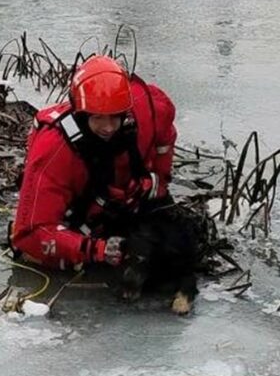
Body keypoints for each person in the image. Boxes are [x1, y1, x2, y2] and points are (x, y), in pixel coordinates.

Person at [10, 54, 177, 271]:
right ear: (81, 115)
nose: (108, 127)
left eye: (114, 117)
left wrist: (160, 180)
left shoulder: (142, 109)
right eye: (98, 118)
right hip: (80, 201)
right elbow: (29, 235)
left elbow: (165, 127)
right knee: (41, 257)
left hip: (118, 193)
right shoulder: (54, 150)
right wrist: (94, 250)